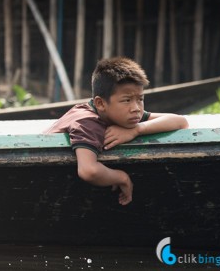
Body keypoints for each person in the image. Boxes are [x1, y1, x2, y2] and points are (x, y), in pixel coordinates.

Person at [46, 57, 189, 206]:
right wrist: (122, 178)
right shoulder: (87, 122)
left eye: (140, 99)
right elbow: (89, 171)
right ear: (100, 103)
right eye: (126, 100)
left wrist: (136, 130)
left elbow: (179, 121)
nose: (136, 108)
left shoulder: (123, 114)